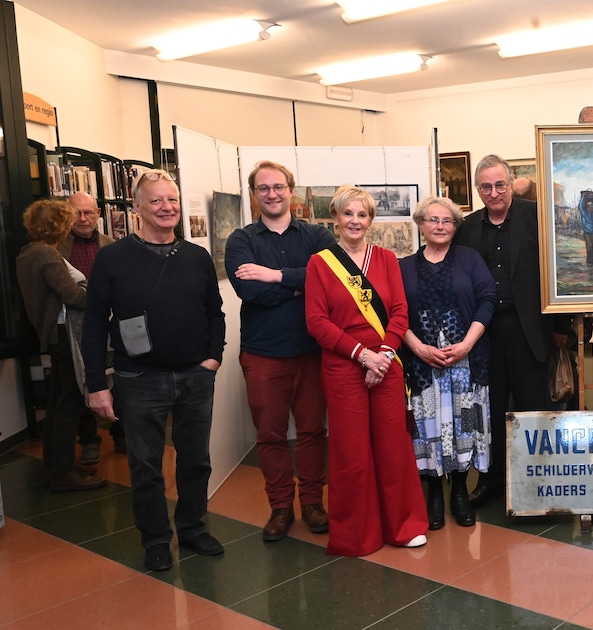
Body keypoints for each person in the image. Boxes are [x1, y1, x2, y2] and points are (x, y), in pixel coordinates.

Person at [82, 169, 226, 572]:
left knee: (196, 460)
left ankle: (193, 529)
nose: (167, 207)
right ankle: (156, 539)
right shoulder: (112, 257)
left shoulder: (196, 256)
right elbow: (94, 324)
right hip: (138, 379)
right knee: (145, 465)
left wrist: (212, 358)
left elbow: (214, 313)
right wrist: (97, 384)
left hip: (195, 376)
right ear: (137, 208)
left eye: (172, 200)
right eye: (157, 200)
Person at [305, 185, 428, 556]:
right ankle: (357, 533)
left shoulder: (388, 259)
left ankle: (404, 526)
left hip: (387, 363)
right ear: (336, 218)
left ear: (371, 221)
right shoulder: (320, 263)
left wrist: (385, 354)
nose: (354, 221)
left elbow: (400, 312)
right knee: (351, 453)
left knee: (393, 446)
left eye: (362, 215)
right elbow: (316, 321)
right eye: (348, 214)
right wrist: (363, 356)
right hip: (344, 366)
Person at [225, 161, 336, 542]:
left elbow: (331, 278)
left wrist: (273, 275)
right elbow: (248, 291)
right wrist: (301, 284)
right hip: (263, 355)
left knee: (311, 432)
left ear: (291, 190)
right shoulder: (242, 240)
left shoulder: (317, 235)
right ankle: (280, 507)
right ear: (254, 194)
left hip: (311, 351)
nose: (271, 194)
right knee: (270, 434)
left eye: (278, 187)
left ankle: (312, 503)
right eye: (263, 188)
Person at [454, 155, 565, 506]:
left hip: (529, 329)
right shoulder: (467, 228)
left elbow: (556, 274)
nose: (494, 192)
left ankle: (538, 482)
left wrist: (561, 328)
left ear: (510, 181)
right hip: (482, 333)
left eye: (500, 184)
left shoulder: (537, 216)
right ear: (478, 189)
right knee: (491, 409)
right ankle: (493, 481)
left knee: (533, 406)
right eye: (485, 187)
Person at [400, 196, 496, 530]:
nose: (440, 226)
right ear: (420, 224)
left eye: (447, 221)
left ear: (456, 226)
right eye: (433, 220)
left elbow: (487, 300)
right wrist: (417, 347)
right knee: (427, 430)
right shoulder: (403, 267)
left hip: (466, 365)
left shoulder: (470, 259)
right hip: (422, 366)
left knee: (463, 427)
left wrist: (467, 344)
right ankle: (434, 494)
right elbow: (394, 314)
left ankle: (458, 491)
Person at [16, 199, 107, 492]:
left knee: (57, 402)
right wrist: (93, 293)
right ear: (59, 226)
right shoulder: (48, 256)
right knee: (69, 402)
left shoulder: (28, 253)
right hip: (64, 335)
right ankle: (64, 472)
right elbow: (74, 297)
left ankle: (57, 465)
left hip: (53, 334)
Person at [58, 192, 119, 459]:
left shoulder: (112, 245)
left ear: (98, 214)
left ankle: (122, 434)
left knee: (117, 379)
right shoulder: (56, 248)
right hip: (74, 325)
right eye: (76, 213)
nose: (83, 219)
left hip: (112, 320)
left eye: (89, 213)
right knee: (81, 379)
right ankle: (89, 439)